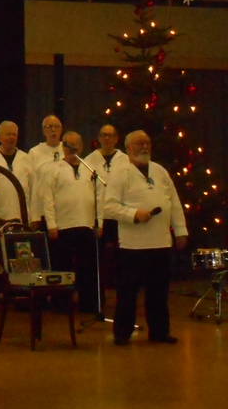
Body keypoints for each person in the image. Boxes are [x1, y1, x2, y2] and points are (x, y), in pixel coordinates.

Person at [104, 130, 188, 346]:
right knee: (128, 292)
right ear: (128, 148)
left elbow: (174, 202)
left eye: (147, 143)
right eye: (139, 143)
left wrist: (180, 230)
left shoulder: (160, 171)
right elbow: (109, 207)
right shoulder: (120, 173)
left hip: (160, 242)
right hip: (133, 246)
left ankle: (160, 332)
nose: (144, 147)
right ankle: (122, 333)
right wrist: (134, 214)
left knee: (159, 292)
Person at [42, 131, 102, 313]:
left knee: (88, 268)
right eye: (69, 145)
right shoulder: (53, 169)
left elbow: (100, 197)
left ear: (81, 147)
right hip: (63, 226)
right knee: (62, 267)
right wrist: (51, 225)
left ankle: (88, 304)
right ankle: (61, 304)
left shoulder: (90, 169)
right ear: (63, 146)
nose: (72, 149)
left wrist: (99, 223)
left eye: (76, 145)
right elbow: (47, 199)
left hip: (86, 225)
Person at [84, 124, 129, 245]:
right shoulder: (89, 161)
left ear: (116, 138)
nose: (107, 138)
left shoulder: (126, 161)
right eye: (104, 135)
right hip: (98, 218)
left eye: (110, 135)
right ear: (99, 138)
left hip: (120, 216)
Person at [0, 121, 33, 222]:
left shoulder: (26, 158)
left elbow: (33, 189)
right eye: (8, 134)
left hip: (23, 216)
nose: (11, 137)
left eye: (14, 134)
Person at [28, 115, 64, 228]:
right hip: (42, 210)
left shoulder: (67, 149)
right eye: (49, 127)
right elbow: (32, 185)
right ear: (44, 131)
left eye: (56, 126)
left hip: (64, 209)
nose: (53, 130)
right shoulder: (34, 152)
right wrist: (34, 216)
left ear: (61, 129)